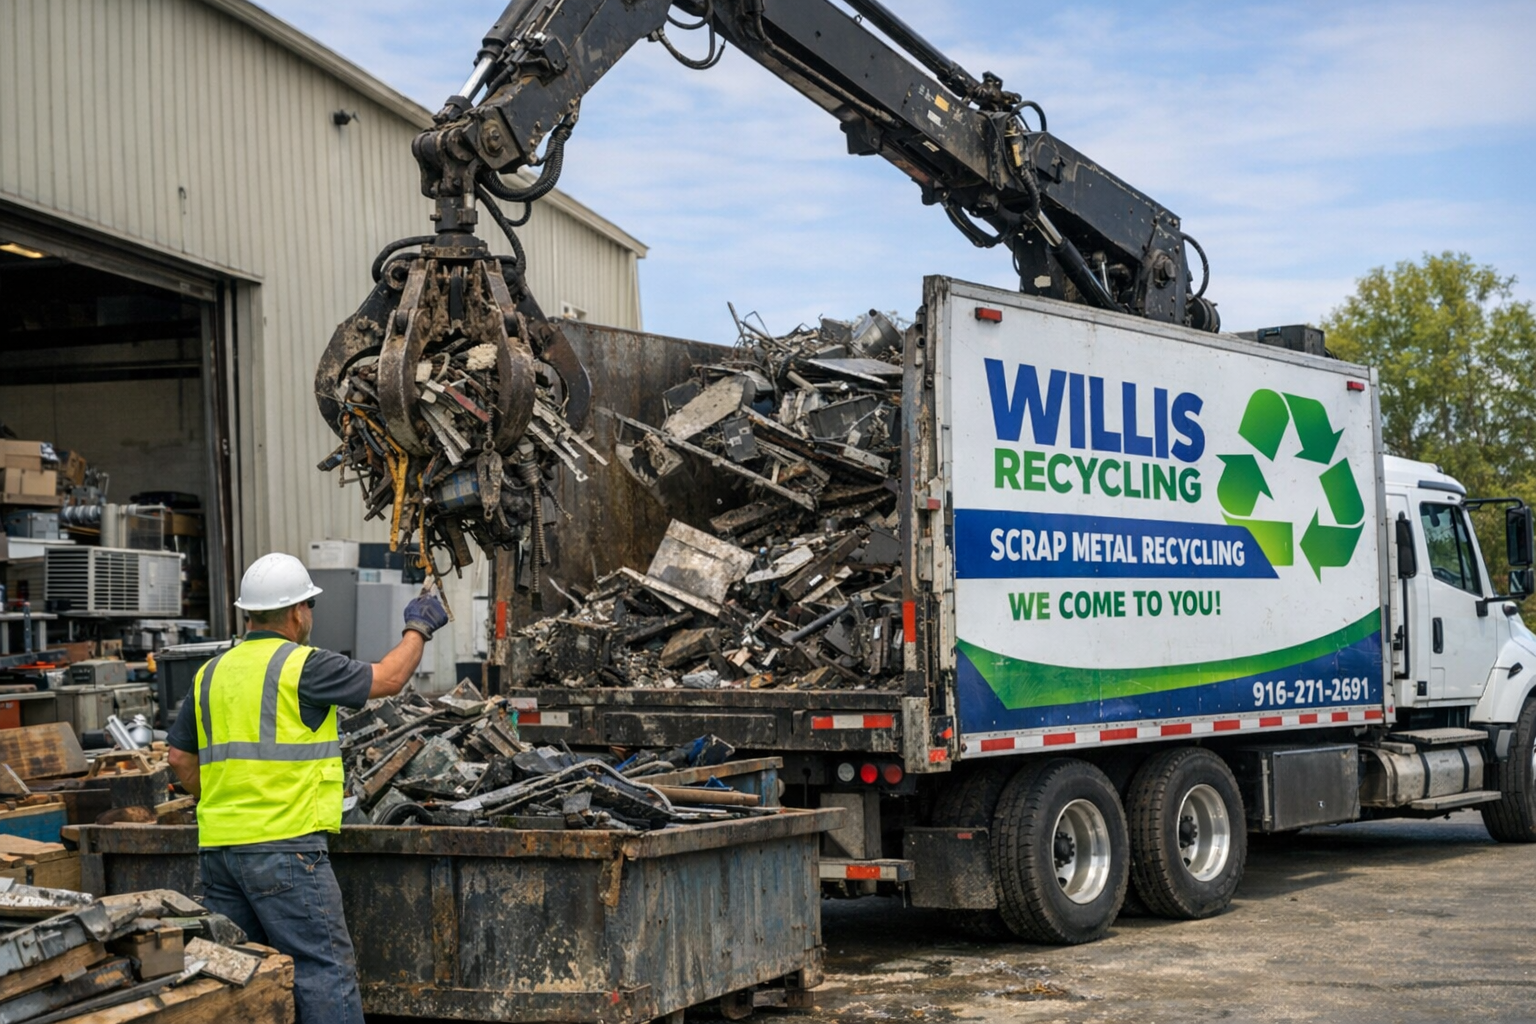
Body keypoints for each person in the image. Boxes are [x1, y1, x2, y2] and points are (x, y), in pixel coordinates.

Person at [165, 552, 448, 1024]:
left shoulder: (209, 673)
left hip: (218, 852)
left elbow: (178, 758)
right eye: (309, 606)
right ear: (297, 612)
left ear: (249, 613)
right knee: (323, 972)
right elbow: (390, 678)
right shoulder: (303, 667)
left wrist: (215, 800)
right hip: (285, 851)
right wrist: (418, 627)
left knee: (237, 976)